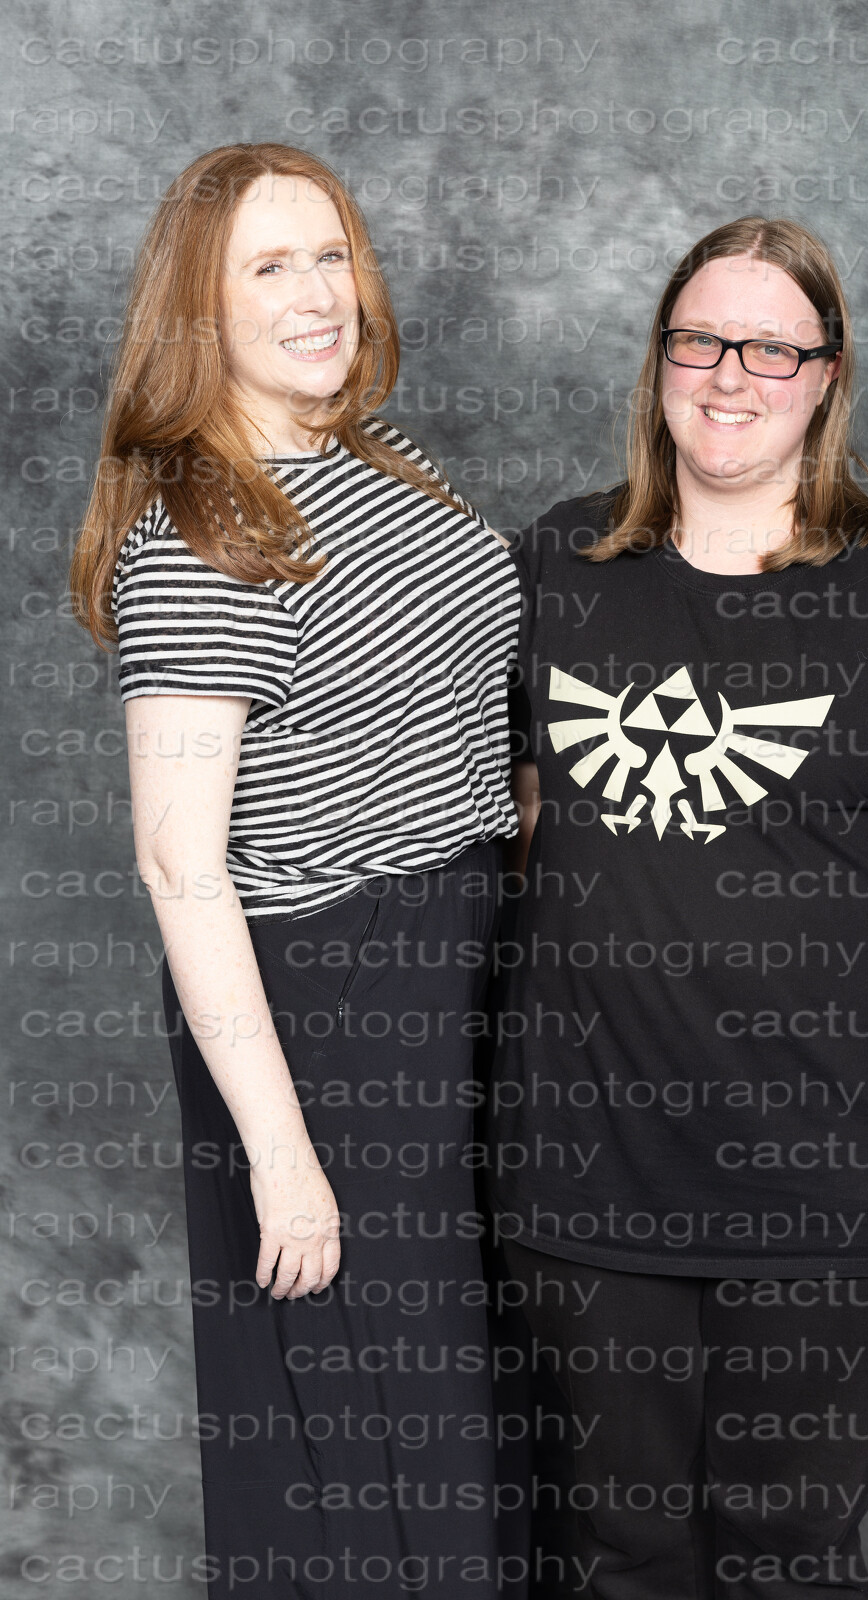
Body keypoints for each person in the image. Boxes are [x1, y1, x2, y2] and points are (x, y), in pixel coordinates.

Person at [488, 215, 868, 1599]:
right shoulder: (558, 563)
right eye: (700, 341)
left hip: (839, 1191)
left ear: (826, 376)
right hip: (591, 1179)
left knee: (784, 1556)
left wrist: (849, 983)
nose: (730, 375)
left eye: (772, 348)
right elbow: (528, 809)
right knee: (615, 1555)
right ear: (658, 360)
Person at [70, 143, 526, 1600]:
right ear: (198, 311)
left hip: (467, 962)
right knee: (379, 1440)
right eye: (269, 267)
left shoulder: (383, 462)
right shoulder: (202, 534)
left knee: (484, 1419)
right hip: (332, 1011)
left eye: (331, 254)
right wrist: (284, 1156)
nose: (319, 293)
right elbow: (177, 863)